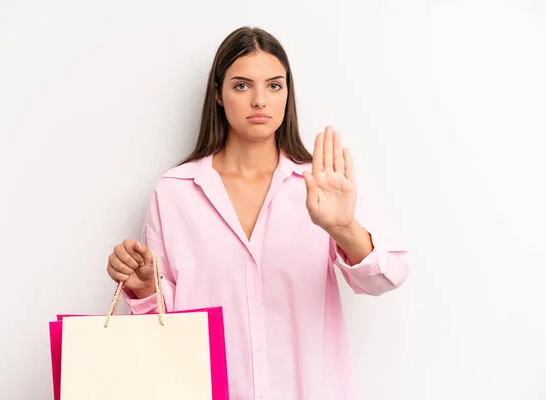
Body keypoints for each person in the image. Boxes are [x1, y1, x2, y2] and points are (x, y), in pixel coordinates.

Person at [106, 26, 410, 400]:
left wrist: (344, 227)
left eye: (274, 85)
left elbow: (388, 276)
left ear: (287, 94)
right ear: (217, 94)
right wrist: (145, 287)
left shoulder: (320, 184)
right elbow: (167, 325)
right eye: (241, 85)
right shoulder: (175, 192)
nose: (260, 100)